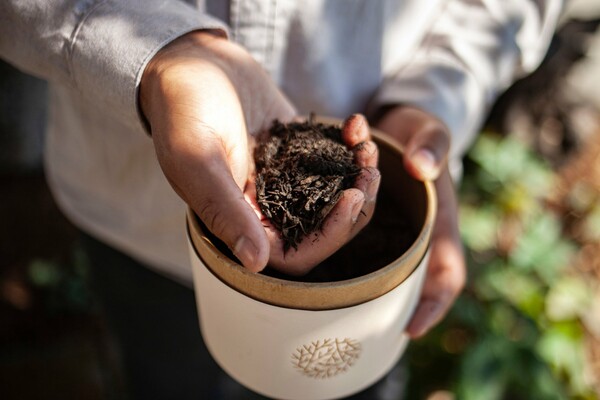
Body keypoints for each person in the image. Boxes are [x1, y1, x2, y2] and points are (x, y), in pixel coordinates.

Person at [0, 1, 563, 399]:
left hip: (368, 283)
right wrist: (162, 55)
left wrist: (436, 93)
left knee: (350, 384)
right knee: (169, 373)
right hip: (135, 216)